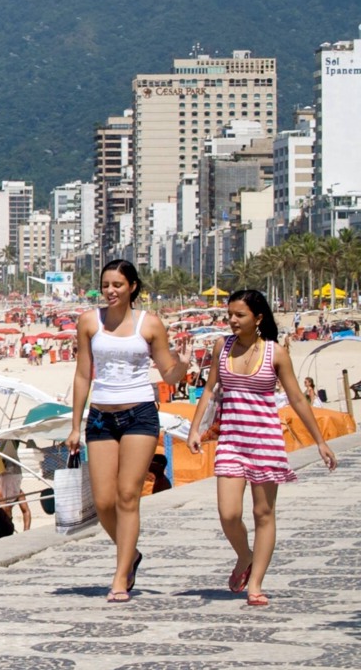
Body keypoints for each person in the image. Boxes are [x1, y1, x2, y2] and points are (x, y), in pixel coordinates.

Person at [187, 286, 337, 609]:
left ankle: (255, 583)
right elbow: (210, 390)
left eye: (239, 315)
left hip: (265, 441)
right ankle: (246, 556)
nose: (232, 321)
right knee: (229, 514)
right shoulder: (221, 347)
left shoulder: (274, 352)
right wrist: (195, 430)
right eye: (229, 315)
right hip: (231, 441)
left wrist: (321, 442)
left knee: (263, 513)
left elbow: (297, 397)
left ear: (258, 318)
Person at [64, 259, 189, 602]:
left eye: (118, 284)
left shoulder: (149, 324)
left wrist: (184, 364)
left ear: (132, 286)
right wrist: (76, 424)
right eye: (106, 285)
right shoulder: (90, 321)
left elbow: (168, 374)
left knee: (127, 495)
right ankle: (130, 553)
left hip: (140, 415)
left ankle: (120, 577)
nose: (111, 291)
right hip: (101, 416)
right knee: (104, 501)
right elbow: (81, 374)